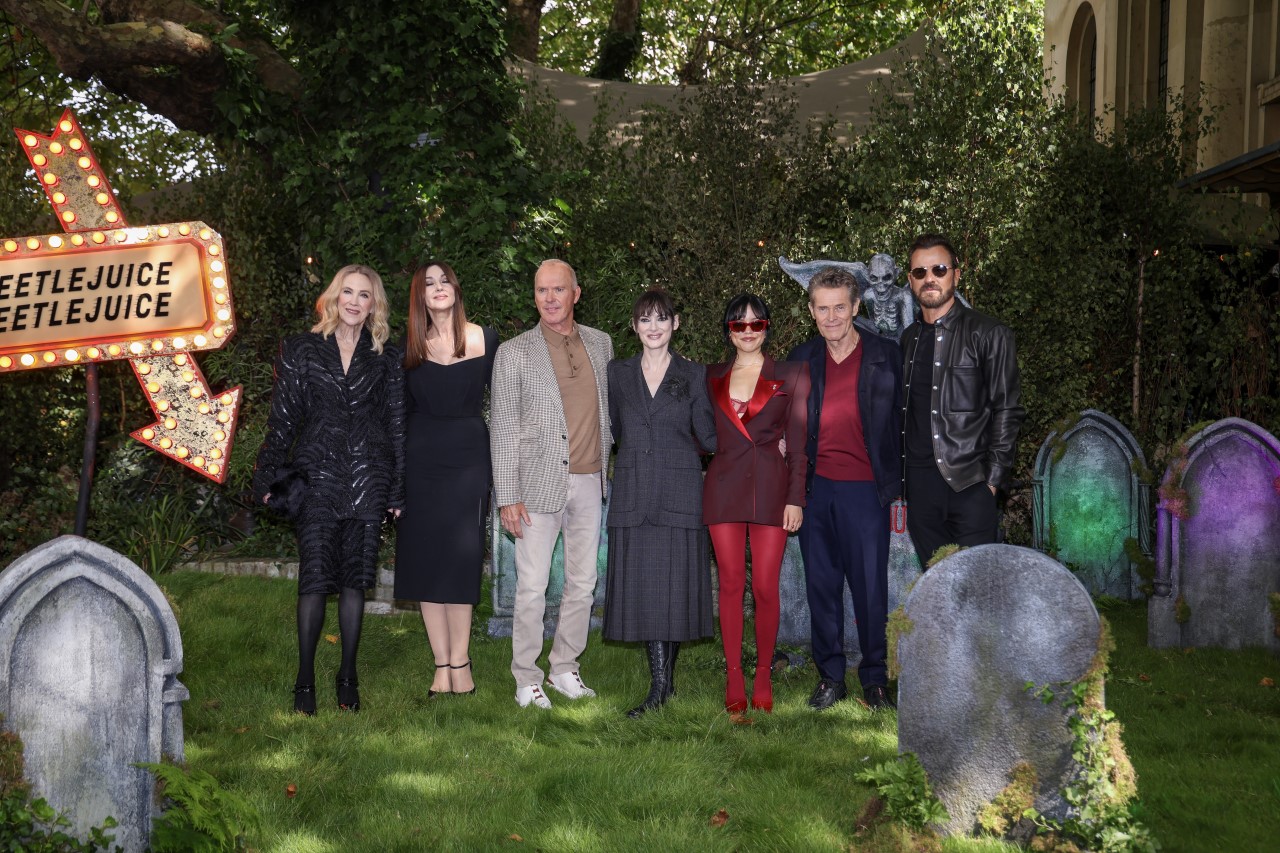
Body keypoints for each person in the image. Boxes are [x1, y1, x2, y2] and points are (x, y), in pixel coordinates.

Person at [253, 263, 405, 715]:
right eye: (348, 293)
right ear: (334, 298)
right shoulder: (302, 350)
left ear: (374, 304)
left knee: (357, 579)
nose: (355, 302)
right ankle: (304, 681)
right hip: (316, 477)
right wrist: (266, 477)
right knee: (315, 578)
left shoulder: (388, 356)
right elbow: (283, 420)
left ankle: (348, 676)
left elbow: (397, 426)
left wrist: (397, 489)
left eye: (365, 295)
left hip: (368, 478)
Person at [490, 259, 613, 710]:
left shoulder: (602, 344)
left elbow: (609, 411)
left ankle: (565, 667)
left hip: (589, 480)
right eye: (542, 290)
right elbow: (502, 427)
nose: (549, 298)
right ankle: (526, 676)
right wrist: (508, 495)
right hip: (536, 486)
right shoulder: (515, 352)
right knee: (532, 585)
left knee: (583, 582)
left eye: (558, 289)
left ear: (575, 293)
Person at [787, 267, 903, 712]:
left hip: (865, 491)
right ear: (812, 311)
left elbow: (903, 423)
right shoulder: (802, 358)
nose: (831, 316)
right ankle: (831, 677)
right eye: (822, 308)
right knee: (821, 585)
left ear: (856, 307)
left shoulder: (885, 356)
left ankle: (875, 679)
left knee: (870, 589)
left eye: (840, 307)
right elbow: (786, 421)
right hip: (817, 492)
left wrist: (900, 486)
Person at [603, 289, 717, 718]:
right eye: (645, 320)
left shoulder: (694, 374)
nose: (654, 327)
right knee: (648, 594)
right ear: (635, 327)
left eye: (662, 319)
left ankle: (661, 689)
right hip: (633, 494)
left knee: (673, 593)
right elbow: (613, 429)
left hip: (679, 494)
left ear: (676, 324)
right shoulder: (617, 373)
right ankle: (661, 687)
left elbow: (708, 437)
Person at [393, 261, 497, 697]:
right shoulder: (407, 348)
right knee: (426, 562)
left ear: (456, 287)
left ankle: (463, 662)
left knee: (460, 560)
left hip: (470, 458)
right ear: (420, 296)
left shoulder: (487, 338)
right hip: (421, 461)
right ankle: (442, 665)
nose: (439, 288)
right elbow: (396, 417)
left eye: (445, 280)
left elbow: (508, 405)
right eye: (429, 284)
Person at [703, 293, 810, 713]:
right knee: (729, 585)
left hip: (771, 490)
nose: (748, 331)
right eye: (738, 324)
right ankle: (734, 677)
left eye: (756, 323)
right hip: (723, 488)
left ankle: (762, 673)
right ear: (728, 331)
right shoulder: (708, 375)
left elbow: (799, 446)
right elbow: (699, 433)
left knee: (765, 587)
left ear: (767, 326)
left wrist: (795, 499)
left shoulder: (792, 375)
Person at [900, 233, 1025, 569]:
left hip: (971, 485)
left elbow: (1007, 410)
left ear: (956, 273)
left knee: (977, 588)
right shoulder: (908, 340)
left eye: (938, 270)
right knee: (936, 589)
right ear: (910, 280)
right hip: (920, 487)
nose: (929, 279)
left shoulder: (989, 333)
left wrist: (992, 483)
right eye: (919, 272)